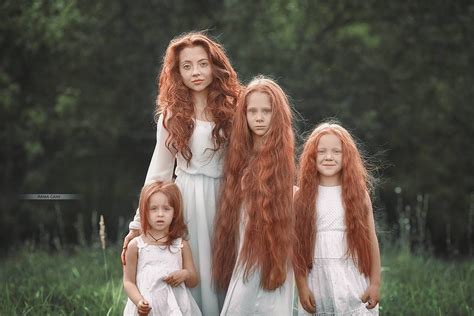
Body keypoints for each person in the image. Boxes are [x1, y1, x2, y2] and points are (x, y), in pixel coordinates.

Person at [122, 31, 241, 315]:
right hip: (187, 200)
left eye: (202, 64)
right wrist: (137, 225)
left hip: (227, 199)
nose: (196, 72)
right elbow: (159, 172)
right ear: (177, 73)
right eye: (187, 66)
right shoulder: (172, 116)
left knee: (226, 268)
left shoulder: (235, 109)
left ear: (215, 66)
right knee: (191, 267)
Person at [212, 76, 296, 315]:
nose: (259, 118)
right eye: (253, 111)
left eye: (267, 111)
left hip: (271, 248)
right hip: (242, 242)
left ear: (277, 115)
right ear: (244, 115)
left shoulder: (282, 160)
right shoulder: (238, 156)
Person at [293, 122, 381, 315]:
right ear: (312, 156)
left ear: (347, 156)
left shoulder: (359, 195)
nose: (329, 157)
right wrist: (302, 287)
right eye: (322, 151)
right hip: (317, 282)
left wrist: (375, 283)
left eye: (336, 151)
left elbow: (371, 239)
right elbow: (297, 247)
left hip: (353, 281)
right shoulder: (301, 197)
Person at [123, 180, 201, 316]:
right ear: (144, 212)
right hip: (147, 308)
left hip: (175, 307)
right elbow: (129, 282)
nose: (160, 214)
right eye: (153, 209)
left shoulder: (180, 245)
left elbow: (194, 280)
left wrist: (185, 274)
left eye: (166, 208)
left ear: (174, 212)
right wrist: (139, 301)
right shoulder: (136, 245)